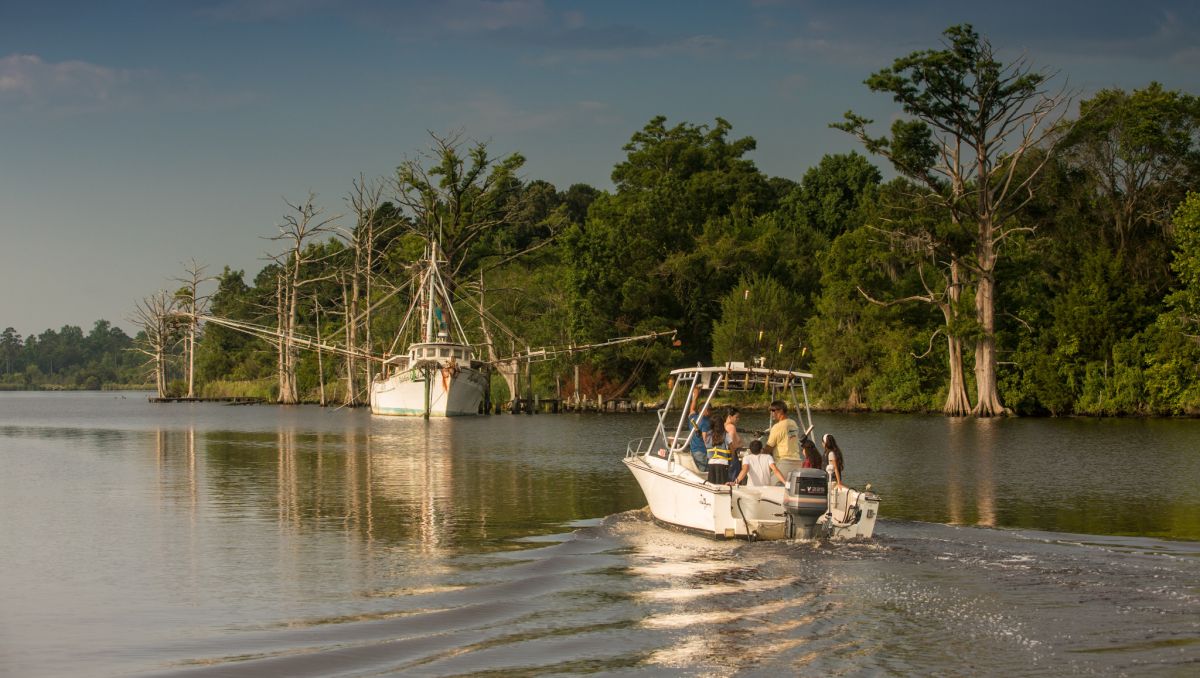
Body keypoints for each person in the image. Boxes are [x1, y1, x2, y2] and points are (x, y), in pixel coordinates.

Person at [687, 387, 712, 473]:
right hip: (702, 451)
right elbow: (705, 439)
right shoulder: (706, 422)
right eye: (709, 410)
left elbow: (691, 409)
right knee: (703, 473)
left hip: (693, 450)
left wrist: (695, 396)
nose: (710, 412)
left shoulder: (693, 418)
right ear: (705, 410)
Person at [724, 407, 743, 484]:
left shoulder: (723, 425)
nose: (738, 419)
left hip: (724, 455)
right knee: (734, 479)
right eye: (736, 417)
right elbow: (731, 443)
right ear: (729, 417)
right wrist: (740, 444)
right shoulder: (731, 427)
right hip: (732, 455)